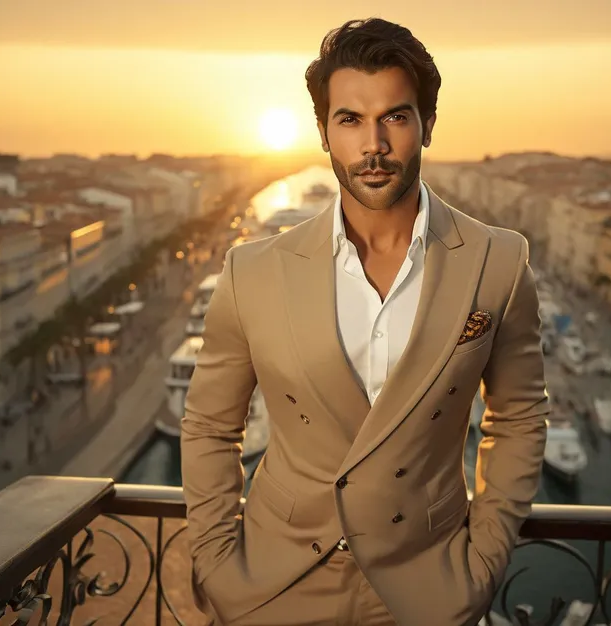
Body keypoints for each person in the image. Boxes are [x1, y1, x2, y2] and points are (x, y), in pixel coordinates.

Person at [181, 17, 549, 626]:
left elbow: (518, 417)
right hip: (272, 588)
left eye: (395, 118)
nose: (372, 144)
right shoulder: (251, 272)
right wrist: (218, 564)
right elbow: (209, 427)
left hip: (425, 589)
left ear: (427, 124)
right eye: (349, 120)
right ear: (324, 132)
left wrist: (484, 560)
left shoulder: (499, 262)